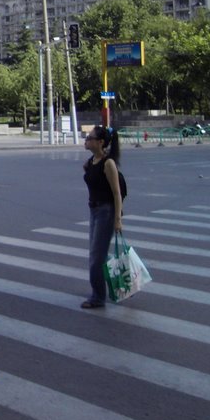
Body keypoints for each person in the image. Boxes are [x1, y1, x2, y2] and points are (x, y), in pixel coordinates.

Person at [81, 125, 123, 309]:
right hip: (94, 211)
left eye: (90, 138)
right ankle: (110, 287)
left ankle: (98, 297)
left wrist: (117, 219)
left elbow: (117, 193)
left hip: (106, 212)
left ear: (100, 142)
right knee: (98, 255)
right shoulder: (91, 162)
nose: (86, 140)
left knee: (96, 257)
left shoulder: (108, 163)